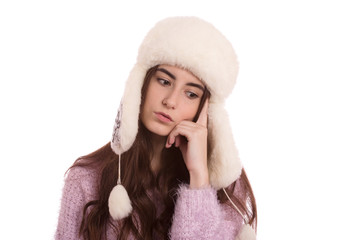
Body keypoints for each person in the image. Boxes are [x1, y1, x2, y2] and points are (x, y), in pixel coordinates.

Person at [55, 16, 257, 240]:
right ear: (142, 82)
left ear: (206, 111)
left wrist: (199, 178)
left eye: (191, 94)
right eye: (164, 81)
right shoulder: (86, 179)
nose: (171, 101)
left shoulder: (226, 192)